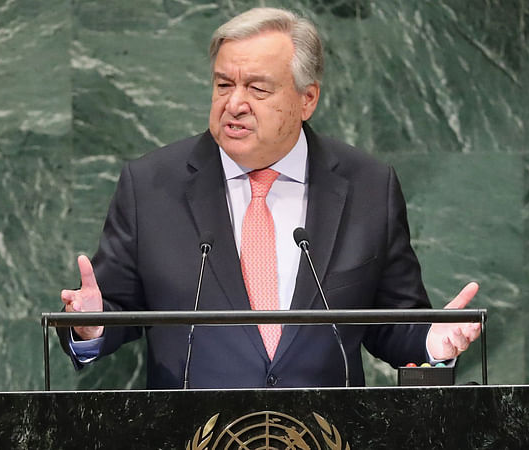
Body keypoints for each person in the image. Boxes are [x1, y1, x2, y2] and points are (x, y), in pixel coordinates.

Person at [58, 7, 481, 389]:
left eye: (258, 89)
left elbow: (391, 322)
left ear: (307, 99)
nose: (234, 103)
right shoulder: (150, 185)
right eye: (224, 84)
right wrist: (90, 325)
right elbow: (113, 310)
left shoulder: (369, 186)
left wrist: (431, 341)